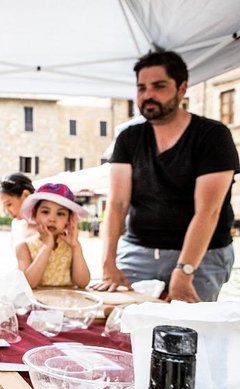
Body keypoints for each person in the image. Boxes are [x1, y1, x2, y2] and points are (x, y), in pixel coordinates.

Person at [92, 50, 239, 302]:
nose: (148, 95)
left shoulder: (213, 136)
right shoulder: (129, 137)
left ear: (182, 89)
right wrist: (108, 264)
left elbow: (208, 211)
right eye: (141, 88)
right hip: (139, 249)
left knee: (186, 332)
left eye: (159, 86)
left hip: (202, 254)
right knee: (123, 325)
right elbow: (117, 204)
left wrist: (184, 271)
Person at [16, 183, 91, 288]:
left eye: (60, 214)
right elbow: (28, 284)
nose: (52, 219)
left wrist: (76, 247)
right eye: (45, 212)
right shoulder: (24, 247)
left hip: (67, 301)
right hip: (37, 303)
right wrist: (47, 246)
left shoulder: (71, 246)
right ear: (34, 215)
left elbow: (82, 283)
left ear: (69, 220)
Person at [0, 172, 36, 246]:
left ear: (26, 195)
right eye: (3, 206)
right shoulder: (16, 225)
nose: (6, 211)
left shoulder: (48, 224)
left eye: (8, 204)